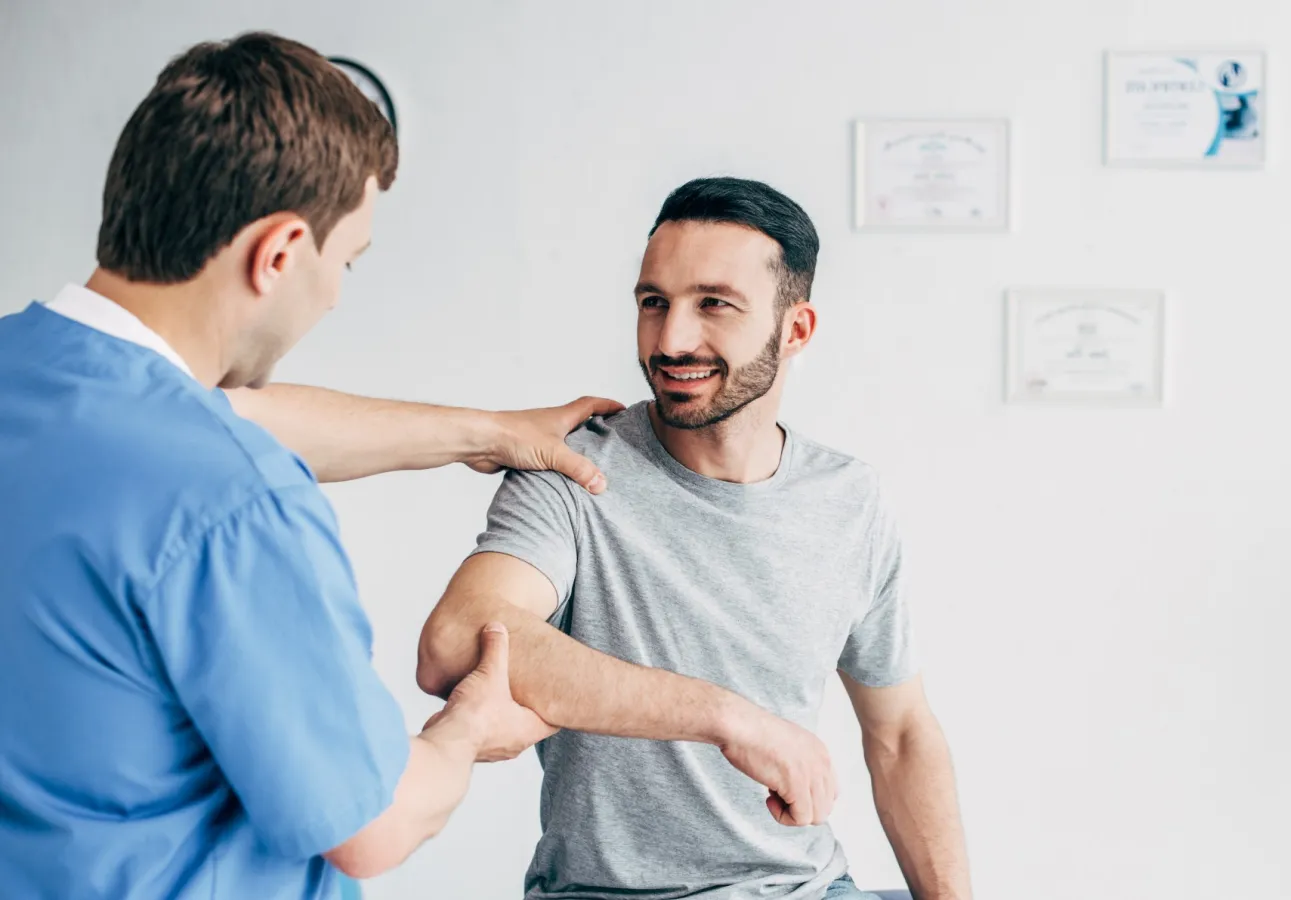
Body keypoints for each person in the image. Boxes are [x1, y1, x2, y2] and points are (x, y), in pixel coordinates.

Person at [0, 32, 619, 900]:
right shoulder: (231, 494)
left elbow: (220, 423)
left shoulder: (39, 381)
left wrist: (488, 430)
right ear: (281, 252)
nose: (334, 294)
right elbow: (374, 823)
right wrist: (470, 724)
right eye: (347, 263)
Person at [418, 178, 973, 900]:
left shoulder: (849, 500)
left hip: (809, 888)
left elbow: (900, 735)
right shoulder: (573, 469)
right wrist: (728, 719)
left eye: (714, 304)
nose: (672, 339)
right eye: (654, 303)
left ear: (795, 330)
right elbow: (457, 640)